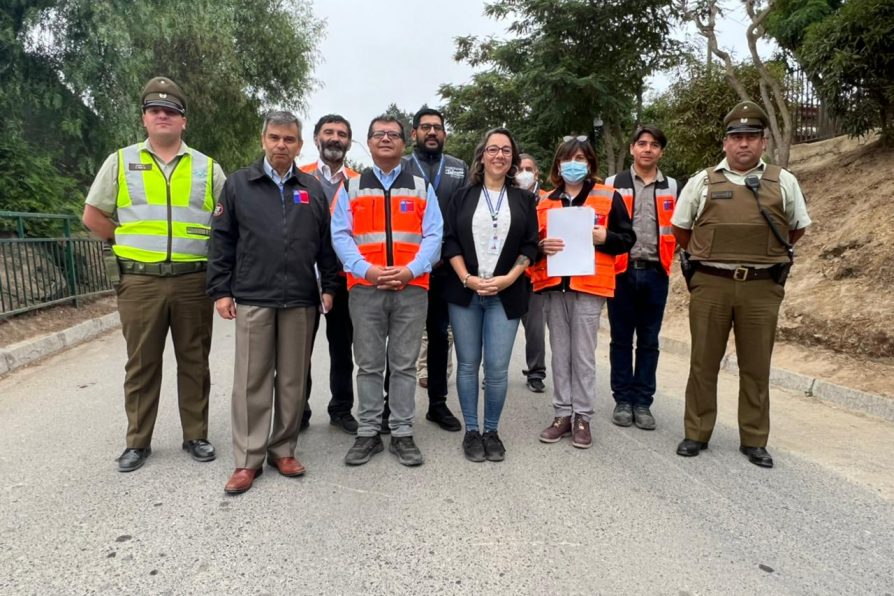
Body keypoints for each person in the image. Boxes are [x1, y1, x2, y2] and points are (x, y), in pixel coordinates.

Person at [81, 76, 225, 473]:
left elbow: (225, 226)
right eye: (155, 110)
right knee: (142, 363)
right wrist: (124, 239)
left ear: (184, 121)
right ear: (144, 118)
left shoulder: (208, 168)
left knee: (195, 360)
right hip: (140, 281)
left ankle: (195, 434)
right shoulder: (121, 161)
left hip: (193, 280)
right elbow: (92, 215)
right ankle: (137, 442)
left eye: (171, 111)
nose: (163, 116)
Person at [671, 101, 811, 468]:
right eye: (737, 138)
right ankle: (696, 432)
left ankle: (753, 438)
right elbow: (681, 230)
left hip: (762, 288)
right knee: (703, 362)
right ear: (724, 143)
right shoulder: (702, 181)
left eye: (751, 137)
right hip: (712, 284)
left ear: (763, 142)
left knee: (756, 365)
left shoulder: (783, 181)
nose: (743, 144)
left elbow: (795, 229)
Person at [207, 111, 339, 495]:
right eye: (275, 138)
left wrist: (328, 286)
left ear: (300, 145)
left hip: (300, 298)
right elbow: (221, 241)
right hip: (254, 296)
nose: (282, 145)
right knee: (251, 380)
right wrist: (220, 289)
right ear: (263, 139)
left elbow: (324, 246)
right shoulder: (238, 186)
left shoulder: (311, 188)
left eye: (289, 139)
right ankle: (248, 459)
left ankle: (283, 449)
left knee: (294, 380)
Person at [331, 115, 443, 467]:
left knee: (404, 365)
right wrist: (369, 270)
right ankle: (368, 433)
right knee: (367, 364)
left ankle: (402, 432)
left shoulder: (422, 187)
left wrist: (410, 270)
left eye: (392, 134)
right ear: (368, 141)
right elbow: (340, 236)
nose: (385, 139)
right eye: (378, 134)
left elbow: (434, 236)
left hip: (412, 289)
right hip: (366, 289)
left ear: (403, 143)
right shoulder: (350, 187)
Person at [530, 136, 635, 449]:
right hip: (554, 287)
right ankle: (562, 414)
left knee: (583, 355)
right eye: (567, 159)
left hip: (590, 287)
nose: (573, 165)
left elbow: (627, 239)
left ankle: (583, 417)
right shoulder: (546, 201)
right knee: (560, 353)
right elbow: (530, 245)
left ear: (590, 163)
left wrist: (606, 237)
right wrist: (540, 248)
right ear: (558, 165)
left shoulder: (608, 196)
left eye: (580, 159)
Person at [441, 128, 538, 462]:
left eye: (506, 151)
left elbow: (530, 244)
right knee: (468, 365)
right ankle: (471, 431)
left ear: (512, 158)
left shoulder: (525, 199)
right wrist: (466, 278)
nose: (500, 155)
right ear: (482, 155)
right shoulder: (462, 196)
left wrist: (509, 278)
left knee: (496, 369)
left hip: (505, 293)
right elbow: (450, 240)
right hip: (465, 292)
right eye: (493, 149)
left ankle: (491, 430)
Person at [604, 125, 679, 431]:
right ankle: (622, 400)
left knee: (649, 341)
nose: (648, 149)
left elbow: (682, 228)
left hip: (656, 273)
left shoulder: (673, 186)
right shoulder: (613, 183)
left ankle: (643, 402)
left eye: (655, 145)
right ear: (633, 148)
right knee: (621, 339)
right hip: (621, 271)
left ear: (661, 151)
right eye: (642, 144)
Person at [401, 107, 468, 433]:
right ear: (413, 133)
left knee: (440, 336)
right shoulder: (399, 167)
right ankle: (392, 406)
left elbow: (467, 215)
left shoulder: (458, 168)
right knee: (400, 338)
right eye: (425, 127)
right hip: (407, 269)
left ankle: (438, 405)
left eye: (437, 128)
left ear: (444, 133)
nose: (432, 132)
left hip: (445, 268)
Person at [297, 114, 361, 434]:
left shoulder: (361, 182)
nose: (335, 138)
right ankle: (298, 410)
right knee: (299, 350)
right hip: (303, 278)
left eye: (342, 134)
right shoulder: (298, 176)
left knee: (341, 347)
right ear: (316, 138)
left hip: (345, 279)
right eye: (329, 132)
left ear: (349, 141)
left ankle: (341, 408)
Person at [516, 153, 548, 393]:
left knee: (535, 328)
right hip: (508, 272)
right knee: (497, 326)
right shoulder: (505, 196)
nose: (524, 172)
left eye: (528, 168)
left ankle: (536, 372)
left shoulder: (549, 199)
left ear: (536, 172)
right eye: (519, 168)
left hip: (536, 273)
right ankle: (493, 372)